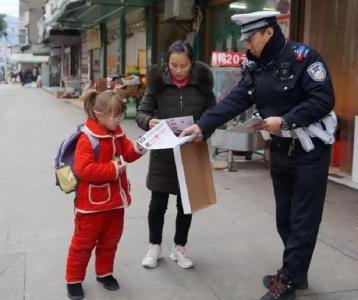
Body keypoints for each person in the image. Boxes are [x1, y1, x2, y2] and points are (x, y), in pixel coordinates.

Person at [181, 11, 335, 300]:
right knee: (284, 219)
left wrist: (286, 120)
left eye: (251, 38)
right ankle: (296, 271)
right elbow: (239, 98)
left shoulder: (304, 58)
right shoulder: (255, 64)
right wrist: (203, 125)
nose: (247, 46)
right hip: (281, 149)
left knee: (303, 220)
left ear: (268, 32)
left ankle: (288, 280)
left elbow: (323, 100)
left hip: (310, 150)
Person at [136, 40, 216, 269]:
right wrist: (148, 121)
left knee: (186, 204)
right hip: (164, 152)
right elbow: (143, 111)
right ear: (167, 63)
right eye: (173, 65)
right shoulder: (157, 84)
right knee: (158, 203)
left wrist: (204, 129)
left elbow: (213, 113)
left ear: (192, 63)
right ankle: (154, 247)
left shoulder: (202, 85)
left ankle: (179, 247)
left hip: (191, 149)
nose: (178, 70)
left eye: (183, 65)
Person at [65, 90, 146, 300]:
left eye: (120, 115)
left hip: (115, 203)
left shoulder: (117, 132)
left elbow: (127, 152)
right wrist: (113, 169)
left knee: (110, 241)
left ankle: (104, 273)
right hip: (90, 206)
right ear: (99, 114)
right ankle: (73, 280)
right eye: (115, 116)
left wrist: (139, 147)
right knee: (83, 244)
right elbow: (84, 169)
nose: (119, 120)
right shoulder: (87, 138)